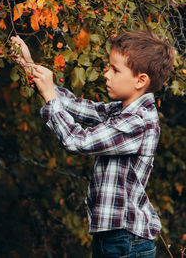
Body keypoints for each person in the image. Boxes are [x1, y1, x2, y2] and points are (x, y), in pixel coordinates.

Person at [10, 30, 174, 258]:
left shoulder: (137, 122)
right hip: (115, 237)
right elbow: (80, 107)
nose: (107, 74)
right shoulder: (122, 111)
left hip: (126, 240)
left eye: (116, 70)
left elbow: (77, 141)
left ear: (140, 80)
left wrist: (49, 94)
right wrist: (30, 67)